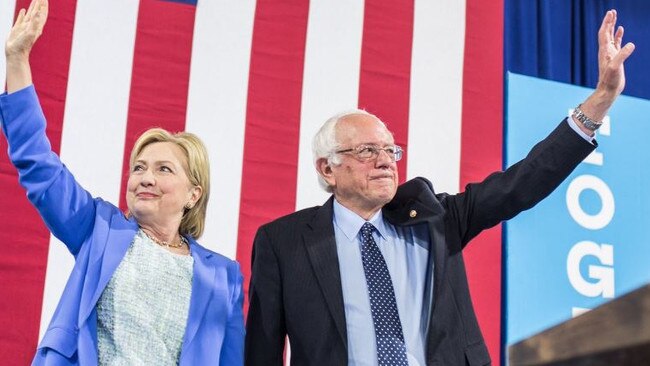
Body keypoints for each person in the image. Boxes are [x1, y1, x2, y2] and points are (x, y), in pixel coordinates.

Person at [244, 9, 635, 366]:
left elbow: (523, 182)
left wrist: (600, 101)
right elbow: (262, 351)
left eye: (389, 150)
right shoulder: (284, 243)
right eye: (366, 150)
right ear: (327, 169)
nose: (384, 160)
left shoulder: (434, 217)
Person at [1, 0, 244, 364]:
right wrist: (18, 61)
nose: (146, 178)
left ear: (194, 193)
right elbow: (39, 165)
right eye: (139, 168)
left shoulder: (224, 277)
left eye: (164, 169)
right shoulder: (98, 228)